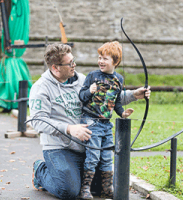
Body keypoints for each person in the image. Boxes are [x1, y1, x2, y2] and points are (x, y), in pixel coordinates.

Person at [29, 43, 150, 199]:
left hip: (87, 145)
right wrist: (69, 128)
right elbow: (37, 121)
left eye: (74, 60)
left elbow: (107, 99)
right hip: (59, 148)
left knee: (102, 187)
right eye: (70, 63)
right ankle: (40, 170)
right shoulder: (41, 88)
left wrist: (134, 95)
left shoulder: (83, 80)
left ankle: (74, 174)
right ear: (55, 68)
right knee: (69, 190)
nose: (75, 65)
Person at [78, 41, 133, 199]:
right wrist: (89, 90)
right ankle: (85, 189)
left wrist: (122, 113)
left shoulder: (119, 79)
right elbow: (81, 96)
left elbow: (116, 102)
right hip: (91, 121)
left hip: (106, 125)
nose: (100, 61)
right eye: (99, 57)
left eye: (105, 58)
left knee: (108, 157)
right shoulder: (93, 76)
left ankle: (106, 189)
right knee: (93, 156)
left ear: (115, 62)